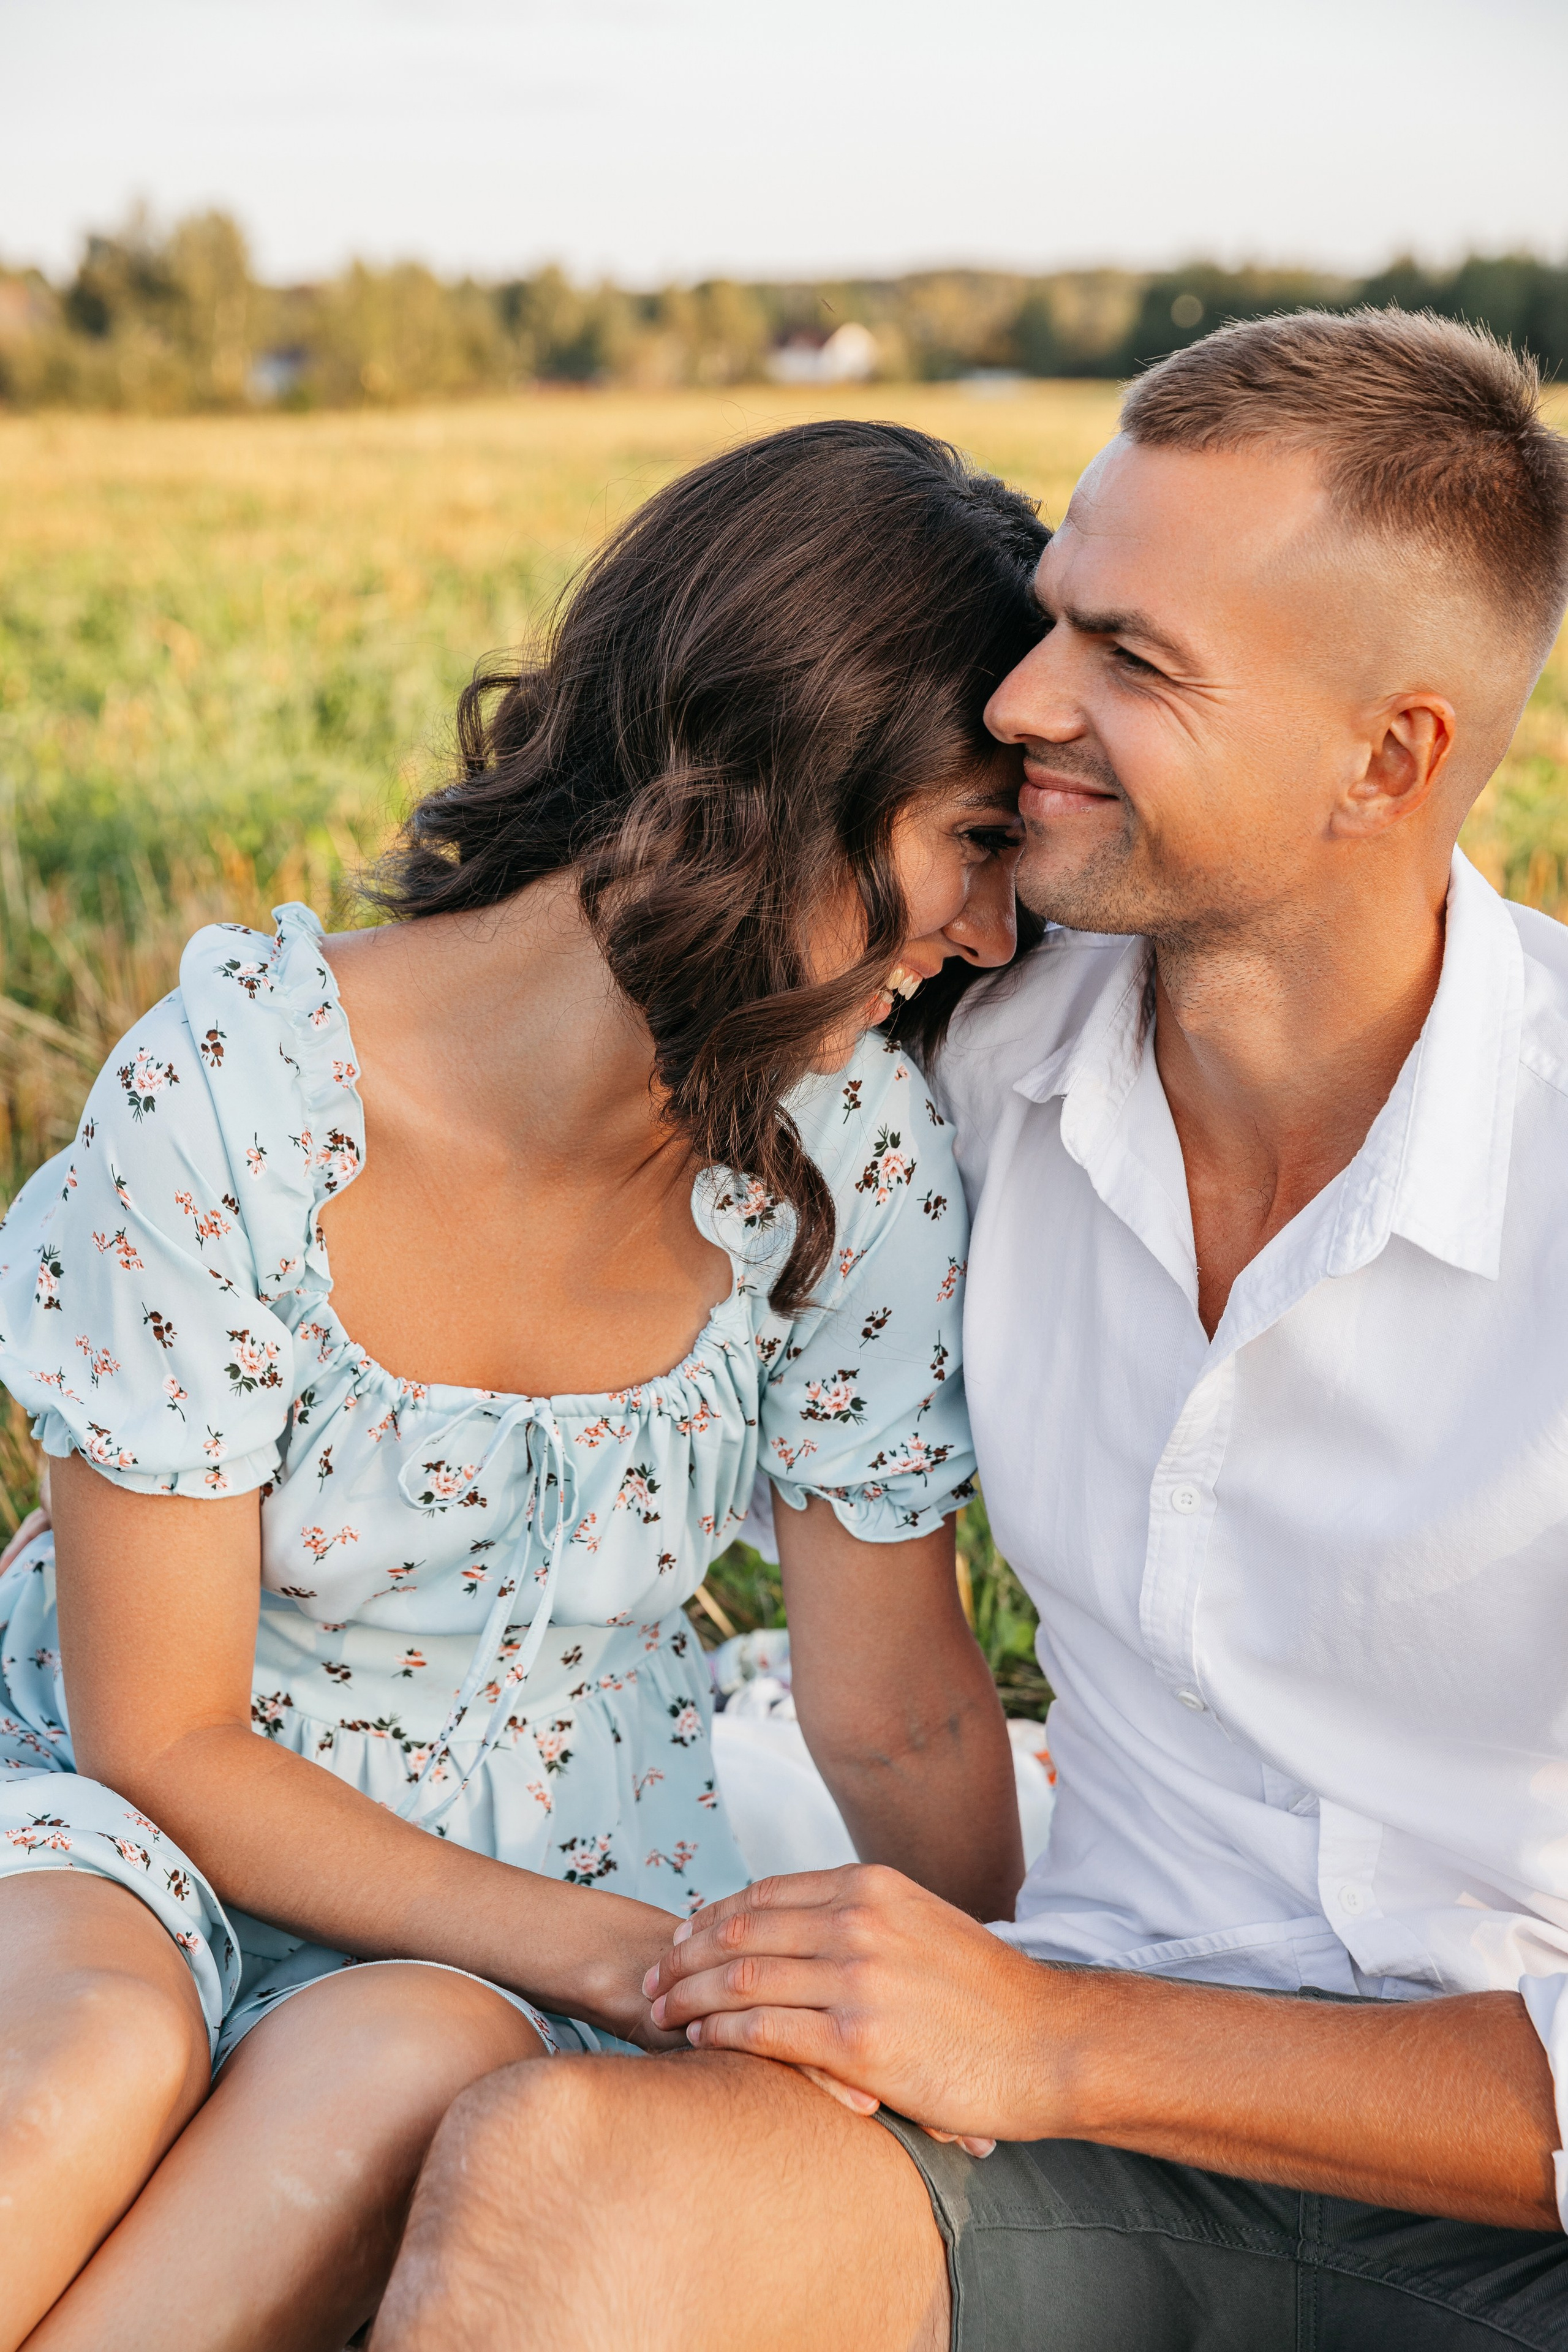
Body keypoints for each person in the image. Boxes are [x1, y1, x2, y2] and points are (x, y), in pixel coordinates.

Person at [371, 312, 1568, 2352]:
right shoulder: (951, 1057)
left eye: (1137, 661)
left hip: (1482, 2193)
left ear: (1393, 756)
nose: (1025, 697)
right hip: (1057, 2144)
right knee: (558, 2184)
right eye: (1057, 618)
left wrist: (1061, 2036)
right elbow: (514, 1159)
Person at [0, 419, 1048, 2352]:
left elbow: (895, 1717)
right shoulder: (230, 1095)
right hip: (132, 1816)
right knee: (76, 2082)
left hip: (542, 1856)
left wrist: (1011, 2002)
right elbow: (158, 1729)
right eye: (977, 839)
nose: (996, 931)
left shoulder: (858, 1164)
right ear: (788, 766)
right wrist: (633, 1951)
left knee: (396, 2070)